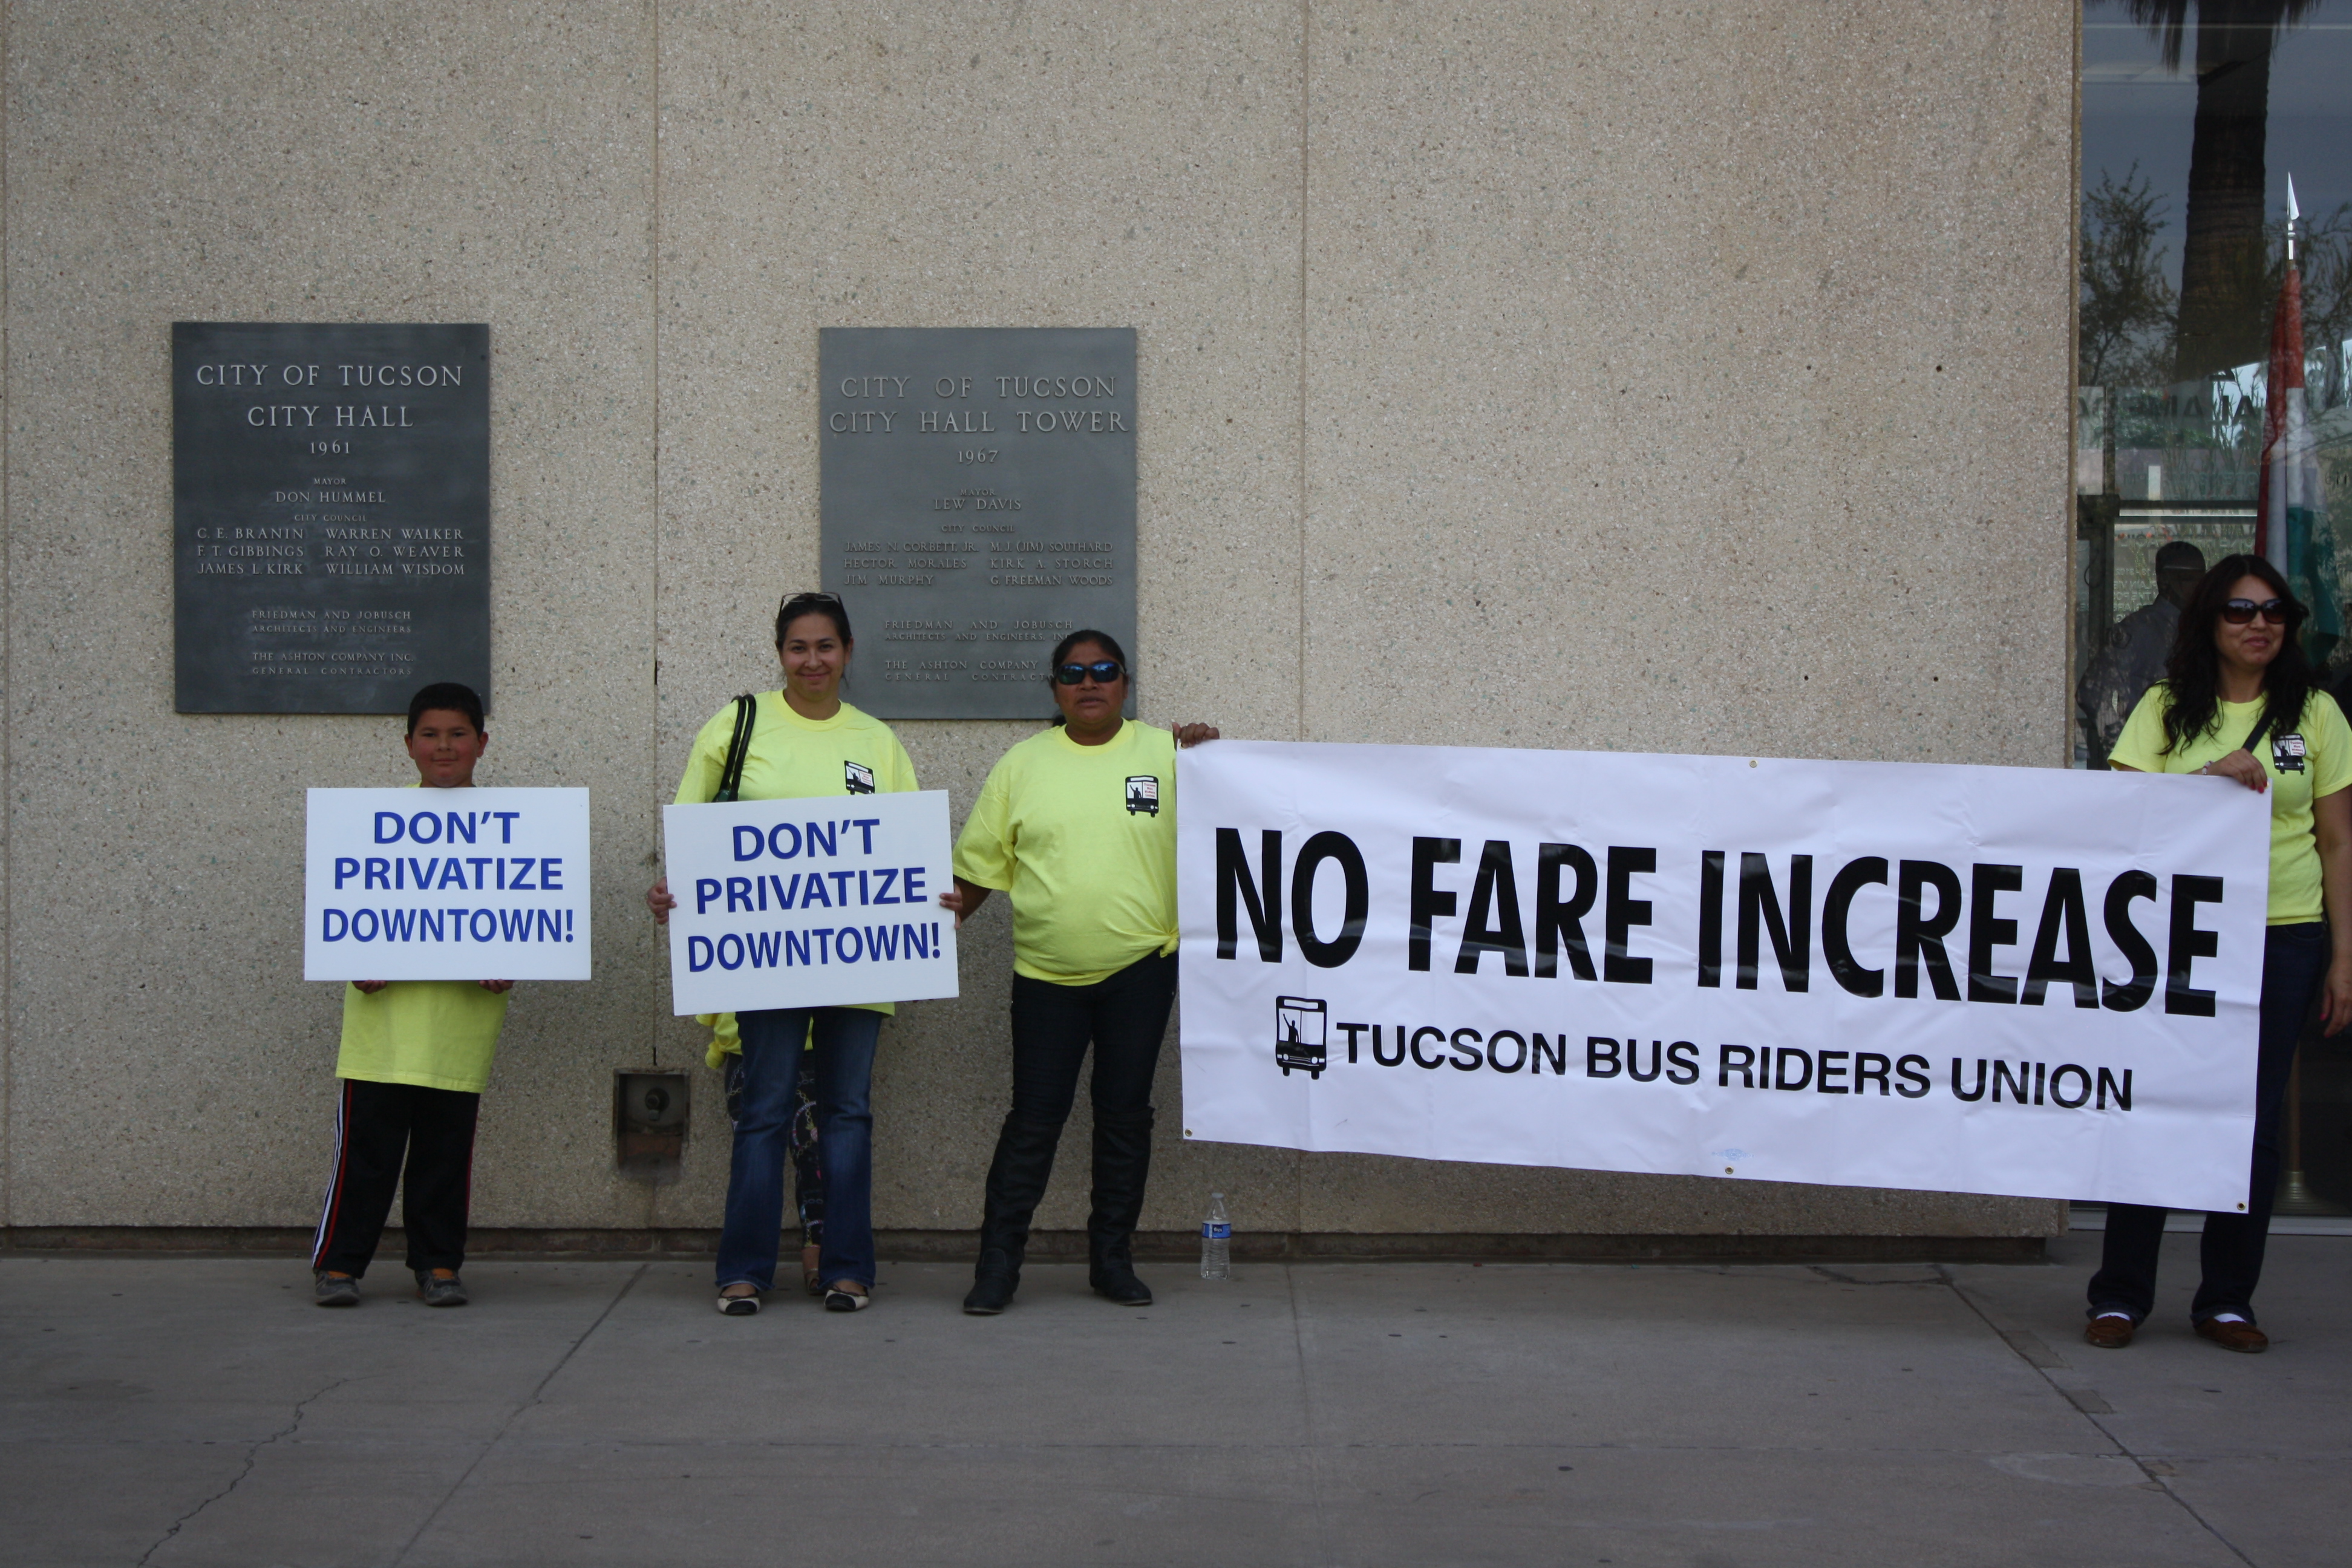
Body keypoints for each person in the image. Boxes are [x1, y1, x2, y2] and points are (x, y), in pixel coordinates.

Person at [2089, 555, 2352, 1353]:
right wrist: (2205, 780)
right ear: (2209, 620)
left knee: (2254, 1122)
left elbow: (2337, 841)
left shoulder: (2318, 714)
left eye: (2274, 612)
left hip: (2284, 935)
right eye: (2240, 610)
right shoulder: (2166, 708)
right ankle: (2121, 1294)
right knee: (2154, 1105)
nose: (2258, 625)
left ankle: (2228, 1300)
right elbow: (2122, 817)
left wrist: (2344, 956)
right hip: (2179, 939)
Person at [647, 592, 917, 1315]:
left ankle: (848, 1270)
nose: (812, 660)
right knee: (763, 1113)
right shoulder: (737, 726)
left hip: (858, 962)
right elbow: (692, 836)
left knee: (848, 1113)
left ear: (848, 652)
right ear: (779, 654)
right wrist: (675, 891)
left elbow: (906, 849)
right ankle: (743, 1272)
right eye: (798, 647)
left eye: (826, 646)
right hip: (763, 961)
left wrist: (931, 902)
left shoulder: (878, 743)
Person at [942, 630, 1218, 1315]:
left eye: (1103, 669)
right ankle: (997, 1268)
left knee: (1125, 1119)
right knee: (1033, 1122)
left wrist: (1217, 758)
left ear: (1125, 683)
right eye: (1072, 672)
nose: (1088, 682)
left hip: (1142, 974)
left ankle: (1112, 1262)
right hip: (1046, 980)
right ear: (1055, 688)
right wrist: (911, 934)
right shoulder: (1022, 765)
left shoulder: (1171, 755)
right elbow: (975, 873)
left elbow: (1238, 821)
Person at [311, 683, 514, 1308]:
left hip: (461, 1025)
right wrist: (355, 957)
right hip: (383, 1025)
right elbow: (346, 908)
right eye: (430, 734)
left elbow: (523, 916)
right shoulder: (372, 821)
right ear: (408, 745)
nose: (444, 746)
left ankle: (439, 1264)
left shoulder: (512, 829)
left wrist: (513, 958)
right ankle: (339, 1264)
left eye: (458, 734)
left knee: (444, 1155)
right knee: (366, 1156)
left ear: (482, 743)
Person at [2079, 540, 2207, 763]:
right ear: (2164, 580)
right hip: (2153, 754)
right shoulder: (2138, 630)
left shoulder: (2207, 628)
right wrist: (2123, 745)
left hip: (2199, 752)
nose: (2197, 587)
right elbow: (2091, 692)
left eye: (2201, 579)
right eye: (2188, 579)